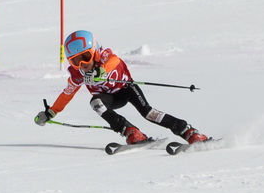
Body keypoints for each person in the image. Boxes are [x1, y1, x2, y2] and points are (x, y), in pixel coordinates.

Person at [34, 29, 211, 147]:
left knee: (148, 113)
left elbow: (115, 61)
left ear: (94, 51)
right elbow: (67, 94)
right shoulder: (78, 73)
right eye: (75, 60)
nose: (82, 64)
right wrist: (51, 112)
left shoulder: (104, 57)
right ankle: (131, 132)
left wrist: (101, 70)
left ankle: (188, 131)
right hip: (110, 98)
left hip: (127, 90)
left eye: (85, 57)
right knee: (95, 102)